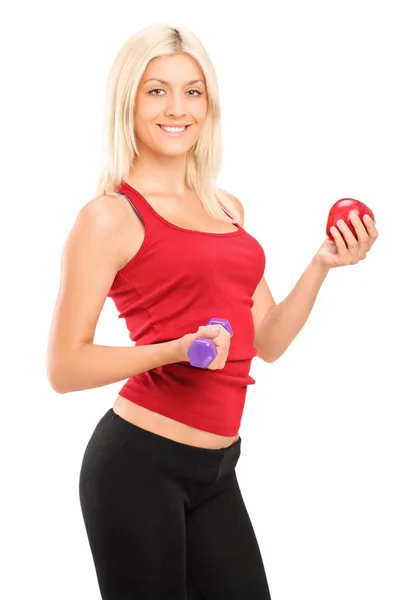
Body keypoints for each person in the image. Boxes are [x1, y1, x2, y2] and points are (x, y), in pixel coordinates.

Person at [46, 23, 379, 600]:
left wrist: (321, 264)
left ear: (209, 103)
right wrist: (174, 350)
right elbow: (64, 368)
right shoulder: (109, 216)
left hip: (219, 471)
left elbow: (267, 341)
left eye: (192, 91)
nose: (177, 108)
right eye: (156, 90)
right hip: (137, 469)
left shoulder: (226, 207)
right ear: (128, 100)